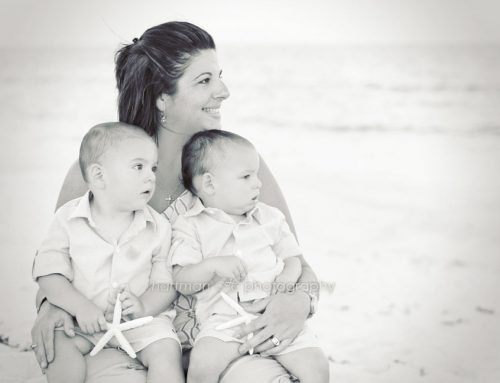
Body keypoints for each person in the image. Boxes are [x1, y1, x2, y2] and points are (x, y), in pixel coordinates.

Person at [31, 21, 321, 383]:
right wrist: (48, 308)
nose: (224, 91)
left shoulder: (239, 170)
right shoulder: (95, 172)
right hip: (129, 349)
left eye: (220, 77)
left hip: (230, 347)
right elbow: (56, 263)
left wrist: (300, 302)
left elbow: (298, 265)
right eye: (205, 81)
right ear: (161, 97)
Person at [171, 129, 329, 383]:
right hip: (223, 322)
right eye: (246, 176)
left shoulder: (270, 218)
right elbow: (182, 280)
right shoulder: (191, 225)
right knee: (202, 364)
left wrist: (287, 279)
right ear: (210, 184)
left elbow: (293, 258)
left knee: (317, 365)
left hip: (274, 313)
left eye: (255, 174)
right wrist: (212, 266)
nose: (258, 183)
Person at [32, 123, 184, 383]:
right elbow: (48, 273)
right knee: (59, 340)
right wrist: (79, 307)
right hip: (83, 321)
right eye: (139, 167)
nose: (150, 176)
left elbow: (166, 283)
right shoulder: (68, 219)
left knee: (166, 349)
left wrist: (144, 305)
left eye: (153, 168)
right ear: (99, 176)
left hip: (140, 324)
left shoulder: (158, 227)